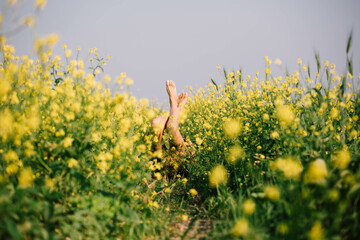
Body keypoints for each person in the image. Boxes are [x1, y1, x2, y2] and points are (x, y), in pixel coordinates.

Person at [151, 80, 194, 176]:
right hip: (180, 157)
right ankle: (175, 109)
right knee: (171, 127)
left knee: (156, 124)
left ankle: (175, 109)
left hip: (162, 161)